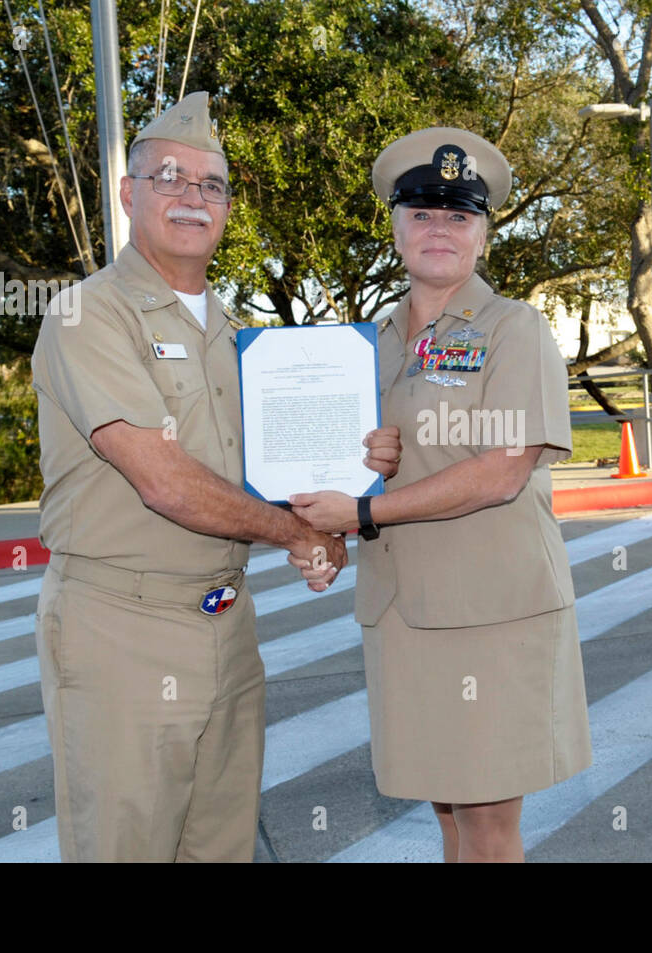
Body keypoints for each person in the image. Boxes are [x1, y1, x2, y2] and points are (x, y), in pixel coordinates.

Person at [29, 91, 398, 862]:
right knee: (124, 848)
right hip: (121, 627)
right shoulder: (87, 316)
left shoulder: (241, 338)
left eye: (212, 185)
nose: (193, 198)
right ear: (129, 194)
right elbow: (165, 480)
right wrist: (300, 532)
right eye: (170, 177)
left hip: (229, 620)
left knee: (221, 848)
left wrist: (358, 477)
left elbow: (262, 473)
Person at [290, 127, 592, 863]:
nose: (439, 229)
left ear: (484, 234)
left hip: (490, 611)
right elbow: (354, 467)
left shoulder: (513, 329)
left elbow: (502, 471)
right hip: (403, 612)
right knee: (450, 818)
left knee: (488, 824)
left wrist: (362, 512)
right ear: (394, 226)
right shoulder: (372, 346)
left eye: (459, 215)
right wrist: (324, 529)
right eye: (422, 212)